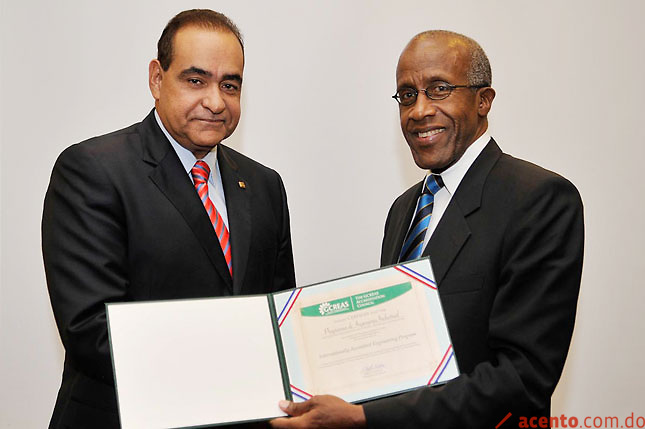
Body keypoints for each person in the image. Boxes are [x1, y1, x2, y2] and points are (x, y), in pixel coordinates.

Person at [271, 30, 584, 429]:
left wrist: (364, 418)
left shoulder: (538, 200)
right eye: (407, 95)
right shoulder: (404, 210)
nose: (418, 110)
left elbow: (522, 380)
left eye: (439, 89)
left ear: (484, 100)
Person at [42, 9, 296, 428]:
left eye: (229, 85)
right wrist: (231, 369)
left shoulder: (264, 185)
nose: (215, 102)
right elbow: (92, 330)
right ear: (157, 79)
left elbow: (280, 317)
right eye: (196, 80)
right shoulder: (94, 170)